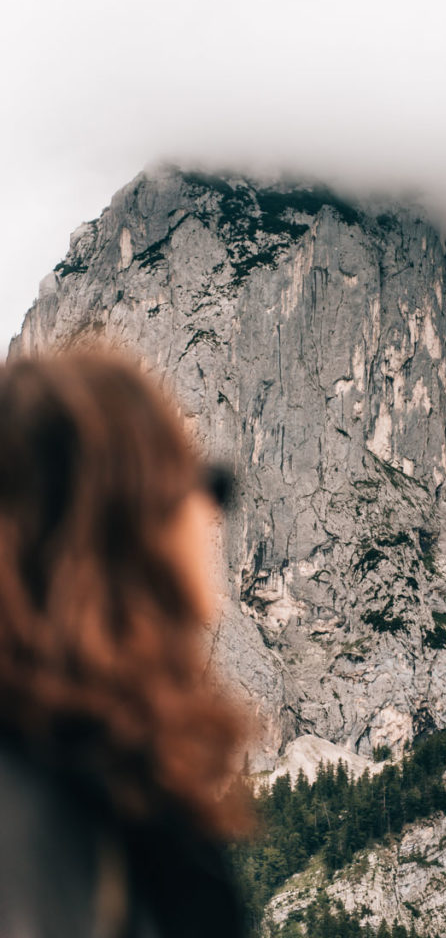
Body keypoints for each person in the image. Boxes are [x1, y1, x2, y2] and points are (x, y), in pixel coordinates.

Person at [0, 349, 251, 937]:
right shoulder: (36, 810)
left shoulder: (100, 772)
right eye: (195, 478)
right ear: (123, 517)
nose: (214, 506)